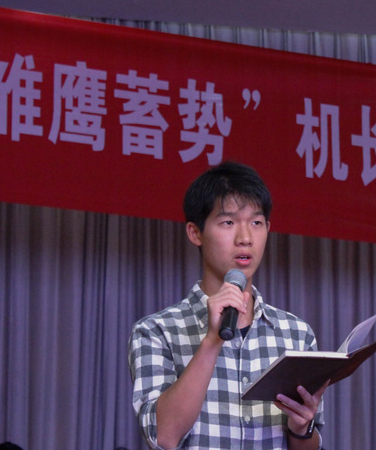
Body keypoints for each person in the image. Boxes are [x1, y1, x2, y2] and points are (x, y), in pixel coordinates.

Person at [128, 161, 327, 449]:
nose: (245, 238)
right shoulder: (156, 332)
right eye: (228, 223)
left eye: (256, 223)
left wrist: (301, 429)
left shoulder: (296, 333)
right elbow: (163, 438)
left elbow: (310, 444)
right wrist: (212, 341)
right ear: (195, 233)